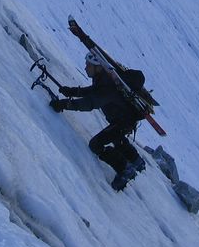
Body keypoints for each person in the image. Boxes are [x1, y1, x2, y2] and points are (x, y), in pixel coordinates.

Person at [49, 51, 146, 190]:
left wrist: (65, 104)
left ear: (98, 67)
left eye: (88, 65)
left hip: (123, 122)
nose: (85, 67)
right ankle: (136, 160)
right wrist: (72, 91)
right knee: (115, 137)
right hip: (123, 120)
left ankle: (125, 169)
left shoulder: (109, 86)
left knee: (96, 144)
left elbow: (90, 103)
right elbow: (93, 91)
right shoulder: (104, 78)